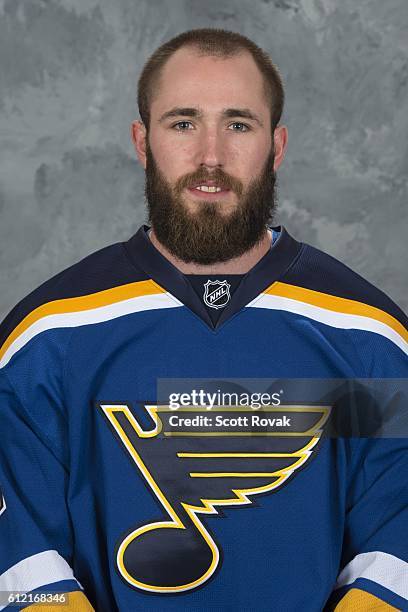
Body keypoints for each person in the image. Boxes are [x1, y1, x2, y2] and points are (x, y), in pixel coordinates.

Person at [0, 27, 407, 612]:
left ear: (278, 145)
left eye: (238, 125)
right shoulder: (48, 339)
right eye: (182, 123)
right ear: (143, 142)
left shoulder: (368, 339)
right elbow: (23, 556)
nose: (210, 156)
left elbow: (397, 538)